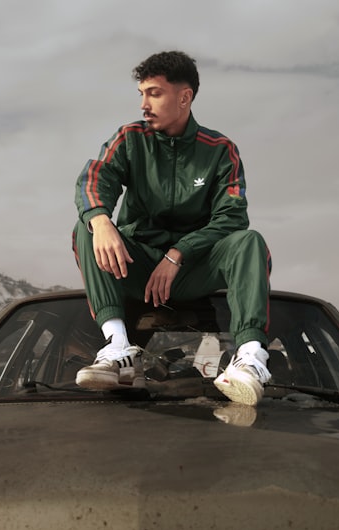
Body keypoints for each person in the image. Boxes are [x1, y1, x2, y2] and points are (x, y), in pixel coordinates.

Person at [71, 50, 272, 406]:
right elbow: (95, 177)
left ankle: (250, 359)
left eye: (154, 93)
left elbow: (232, 216)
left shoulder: (220, 150)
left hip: (196, 269)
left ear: (184, 97)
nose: (144, 104)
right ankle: (118, 349)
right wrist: (100, 218)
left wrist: (179, 253)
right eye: (142, 94)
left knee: (249, 241)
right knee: (86, 228)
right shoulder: (130, 139)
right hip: (139, 268)